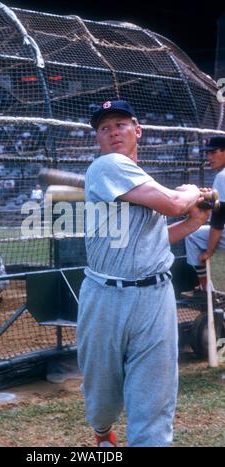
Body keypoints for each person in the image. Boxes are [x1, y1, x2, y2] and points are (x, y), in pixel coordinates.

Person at [77, 99, 211, 447]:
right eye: (104, 128)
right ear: (99, 140)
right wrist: (193, 192)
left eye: (120, 124)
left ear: (138, 130)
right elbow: (172, 203)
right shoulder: (107, 166)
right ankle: (102, 432)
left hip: (155, 296)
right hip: (106, 296)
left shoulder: (139, 178)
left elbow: (155, 240)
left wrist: (193, 221)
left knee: (153, 399)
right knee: (102, 396)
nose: (112, 132)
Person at [185, 136, 225, 292]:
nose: (209, 157)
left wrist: (208, 251)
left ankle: (208, 288)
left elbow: (218, 219)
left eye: (213, 152)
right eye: (207, 153)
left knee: (193, 236)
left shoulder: (222, 176)